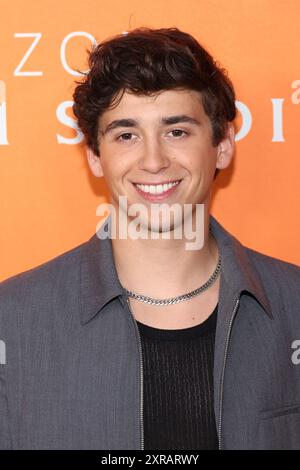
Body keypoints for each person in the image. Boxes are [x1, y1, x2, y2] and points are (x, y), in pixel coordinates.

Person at [0, 27, 300, 451]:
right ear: (94, 157)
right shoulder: (12, 321)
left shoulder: (294, 305)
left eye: (176, 131)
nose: (154, 160)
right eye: (126, 135)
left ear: (223, 145)